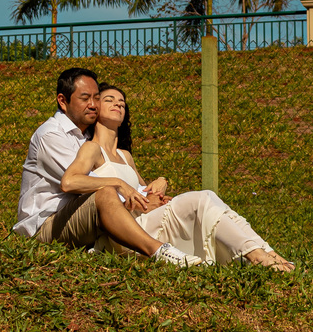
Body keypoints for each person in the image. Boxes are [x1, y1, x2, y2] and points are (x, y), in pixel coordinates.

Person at [62, 82, 295, 270]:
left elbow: (146, 198)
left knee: (213, 203)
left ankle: (268, 253)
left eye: (122, 102)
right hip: (124, 234)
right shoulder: (92, 149)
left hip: (145, 221)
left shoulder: (125, 156)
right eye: (109, 100)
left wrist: (158, 186)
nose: (118, 105)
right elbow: (70, 181)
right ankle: (255, 255)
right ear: (96, 108)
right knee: (202, 199)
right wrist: (119, 184)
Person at [14, 67, 196, 266]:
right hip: (46, 225)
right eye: (85, 98)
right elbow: (77, 183)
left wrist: (153, 194)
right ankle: (158, 251)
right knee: (105, 193)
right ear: (62, 101)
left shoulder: (84, 136)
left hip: (79, 217)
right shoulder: (51, 135)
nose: (93, 105)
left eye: (96, 98)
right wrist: (129, 193)